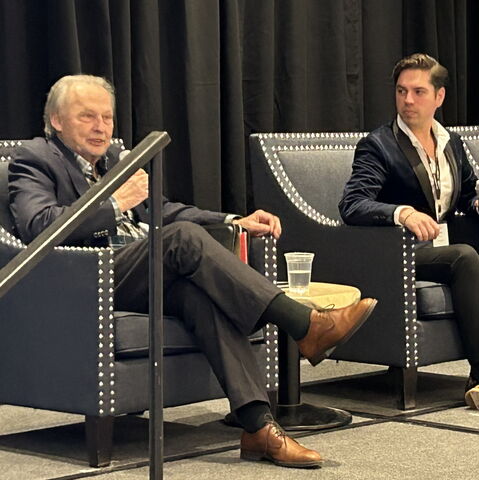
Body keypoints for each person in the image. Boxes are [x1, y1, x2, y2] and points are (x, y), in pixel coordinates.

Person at [8, 74, 378, 468]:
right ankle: (304, 323)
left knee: (198, 295)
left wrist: (233, 219)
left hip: (139, 271)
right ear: (57, 120)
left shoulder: (115, 161)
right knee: (181, 238)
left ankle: (258, 427)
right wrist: (115, 205)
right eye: (87, 117)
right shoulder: (34, 158)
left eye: (107, 118)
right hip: (84, 277)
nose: (101, 128)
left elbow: (164, 211)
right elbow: (40, 227)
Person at [339, 53, 479, 414]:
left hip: (443, 254)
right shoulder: (378, 145)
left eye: (418, 92)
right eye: (402, 92)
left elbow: (466, 194)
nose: (408, 101)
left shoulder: (452, 143)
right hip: (397, 254)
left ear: (439, 97)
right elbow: (353, 204)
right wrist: (401, 213)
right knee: (463, 256)